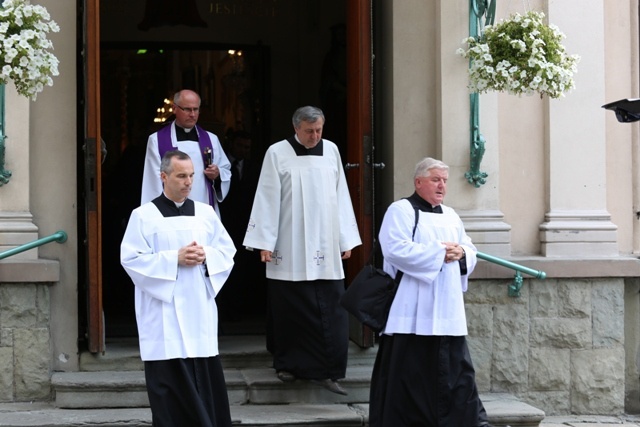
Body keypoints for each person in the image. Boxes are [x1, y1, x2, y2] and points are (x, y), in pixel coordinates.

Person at [242, 106, 362, 395]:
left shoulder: (331, 150)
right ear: (295, 128)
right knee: (291, 307)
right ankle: (289, 365)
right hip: (290, 242)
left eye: (319, 130)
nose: (315, 136)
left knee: (331, 307)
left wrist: (345, 239)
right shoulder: (277, 152)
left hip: (324, 242)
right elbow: (267, 196)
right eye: (309, 131)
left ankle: (329, 370)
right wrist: (264, 242)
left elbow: (341, 195)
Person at [369, 157, 490, 427]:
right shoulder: (400, 210)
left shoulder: (452, 215)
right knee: (408, 373)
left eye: (445, 181)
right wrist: (440, 253)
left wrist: (461, 254)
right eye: (436, 179)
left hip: (447, 310)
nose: (442, 186)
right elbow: (394, 249)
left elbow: (469, 248)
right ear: (418, 181)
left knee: (457, 373)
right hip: (412, 309)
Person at [121, 150, 236, 427]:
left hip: (198, 309)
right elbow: (131, 260)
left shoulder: (206, 214)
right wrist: (175, 258)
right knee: (170, 388)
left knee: (204, 379)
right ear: (163, 176)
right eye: (181, 176)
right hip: (163, 314)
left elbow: (227, 251)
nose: (188, 182)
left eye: (192, 176)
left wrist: (206, 254)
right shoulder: (143, 216)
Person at [141, 89, 231, 218]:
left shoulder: (211, 140)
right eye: (187, 109)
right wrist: (155, 217)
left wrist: (217, 174)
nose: (193, 114)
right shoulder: (157, 140)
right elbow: (152, 181)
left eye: (196, 109)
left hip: (203, 207)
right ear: (174, 109)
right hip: (170, 212)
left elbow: (225, 170)